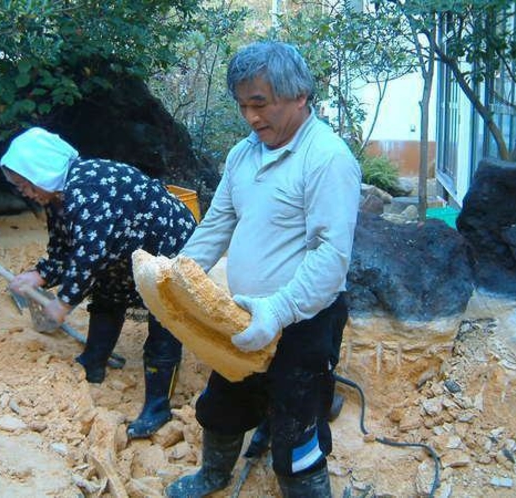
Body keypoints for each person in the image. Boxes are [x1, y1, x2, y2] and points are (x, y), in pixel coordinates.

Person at [165, 41, 361, 497]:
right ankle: (213, 475)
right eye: (242, 106)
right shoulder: (243, 154)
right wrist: (179, 277)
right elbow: (218, 223)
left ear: (299, 96)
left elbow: (331, 256)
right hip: (244, 315)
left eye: (260, 104)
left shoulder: (327, 159)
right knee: (222, 403)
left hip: (306, 321)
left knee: (298, 424)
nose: (252, 118)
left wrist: (280, 308)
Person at [0, 127, 197, 439]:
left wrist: (62, 303)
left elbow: (89, 255)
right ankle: (93, 361)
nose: (23, 192)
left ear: (41, 171)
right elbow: (65, 249)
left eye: (24, 184)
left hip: (170, 244)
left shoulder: (88, 187)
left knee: (164, 318)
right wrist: (39, 274)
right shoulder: (57, 197)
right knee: (108, 293)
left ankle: (158, 405)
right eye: (17, 187)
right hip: (126, 247)